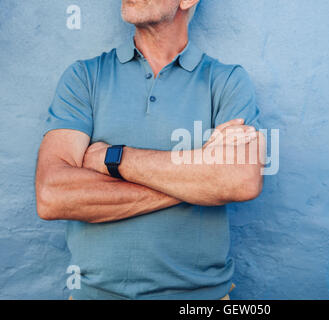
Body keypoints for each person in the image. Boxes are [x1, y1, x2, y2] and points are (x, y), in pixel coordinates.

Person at [35, 0, 264, 300]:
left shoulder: (226, 81)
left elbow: (241, 181)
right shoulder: (84, 77)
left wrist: (112, 158)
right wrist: (200, 176)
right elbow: (52, 196)